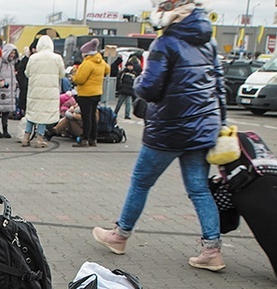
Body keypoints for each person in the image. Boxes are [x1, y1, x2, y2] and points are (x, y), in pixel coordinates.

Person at [92, 0, 228, 271]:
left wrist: (139, 80)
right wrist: (218, 122)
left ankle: (120, 236)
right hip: (201, 127)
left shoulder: (165, 43)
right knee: (199, 188)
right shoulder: (208, 41)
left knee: (141, 181)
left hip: (170, 128)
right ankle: (211, 250)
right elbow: (220, 85)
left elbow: (150, 89)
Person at [23, 35, 65, 148]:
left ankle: (26, 137)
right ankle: (39, 138)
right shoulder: (57, 58)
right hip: (49, 91)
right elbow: (62, 74)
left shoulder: (33, 58)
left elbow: (27, 73)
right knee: (43, 115)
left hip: (35, 90)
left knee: (32, 113)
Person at [72, 38, 110, 147]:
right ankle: (93, 138)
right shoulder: (101, 61)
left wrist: (74, 76)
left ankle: (85, 139)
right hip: (97, 92)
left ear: (86, 53)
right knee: (93, 116)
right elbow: (108, 70)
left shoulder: (87, 63)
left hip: (86, 94)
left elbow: (80, 79)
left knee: (86, 117)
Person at [0, 43, 18, 138]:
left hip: (9, 90)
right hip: (0, 90)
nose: (12, 55)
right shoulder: (0, 63)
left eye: (14, 53)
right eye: (11, 52)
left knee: (6, 111)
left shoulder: (12, 64)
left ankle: (5, 129)